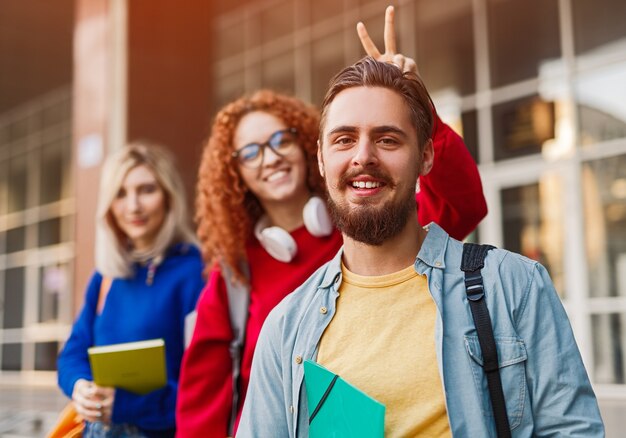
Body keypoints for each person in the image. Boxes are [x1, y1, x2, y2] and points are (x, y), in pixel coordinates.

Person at [236, 56, 605, 437]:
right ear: (321, 158)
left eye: (387, 139)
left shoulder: (514, 286)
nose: (363, 155)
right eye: (344, 139)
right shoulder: (285, 327)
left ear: (425, 156)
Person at [176, 7, 487, 437]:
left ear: (309, 148)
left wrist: (415, 105)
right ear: (235, 175)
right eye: (250, 152)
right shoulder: (235, 275)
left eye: (279, 139)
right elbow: (202, 409)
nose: (269, 157)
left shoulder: (370, 223)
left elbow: (463, 204)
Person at [57, 142, 204, 437]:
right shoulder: (106, 276)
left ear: (168, 197)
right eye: (121, 194)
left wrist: (127, 404)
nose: (133, 206)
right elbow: (72, 353)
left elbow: (202, 385)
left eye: (146, 190)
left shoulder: (194, 272)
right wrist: (80, 386)